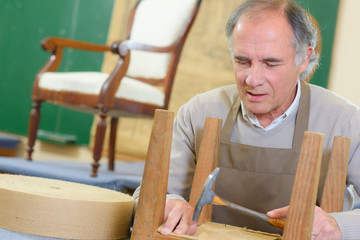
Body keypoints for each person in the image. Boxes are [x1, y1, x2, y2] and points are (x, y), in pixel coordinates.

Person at [133, 0, 360, 239]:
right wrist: (170, 204)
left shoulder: (345, 122)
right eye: (242, 61)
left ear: (304, 58)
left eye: (270, 63)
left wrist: (339, 225)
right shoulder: (198, 113)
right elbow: (147, 196)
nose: (252, 79)